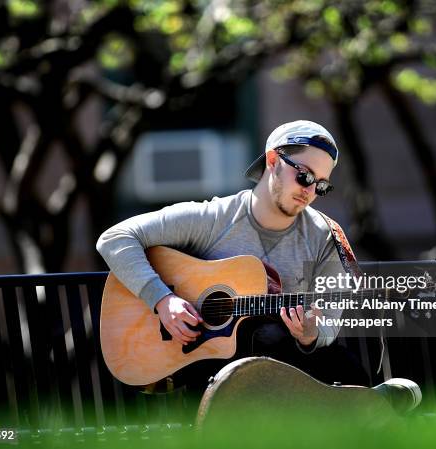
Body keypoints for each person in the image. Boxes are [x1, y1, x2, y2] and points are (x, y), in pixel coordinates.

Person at [96, 120, 369, 399]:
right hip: (208, 375)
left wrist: (311, 334)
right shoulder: (214, 218)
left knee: (348, 371)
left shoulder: (327, 237)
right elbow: (115, 238)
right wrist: (163, 300)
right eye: (305, 176)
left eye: (321, 186)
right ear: (273, 160)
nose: (309, 192)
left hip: (284, 373)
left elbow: (330, 321)